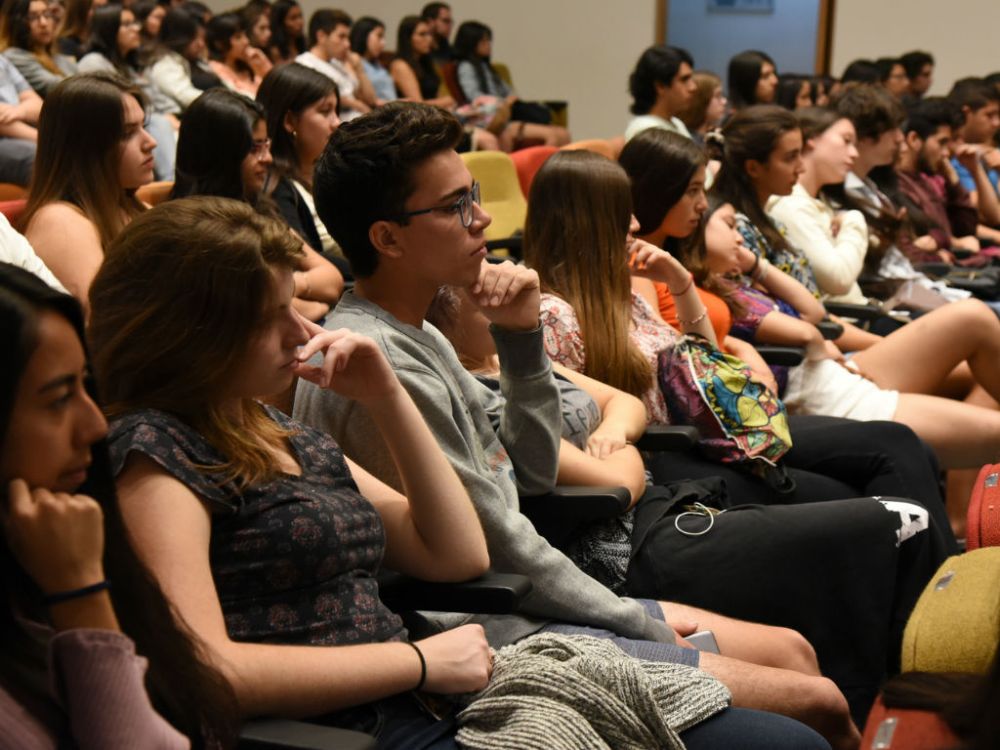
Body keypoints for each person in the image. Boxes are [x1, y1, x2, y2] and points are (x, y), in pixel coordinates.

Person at [293, 100, 895, 748]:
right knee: (814, 705)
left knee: (798, 654)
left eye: (474, 196)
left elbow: (527, 469)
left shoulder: (419, 337)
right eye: (454, 207)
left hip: (536, 596)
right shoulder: (376, 362)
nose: (484, 218)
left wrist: (522, 340)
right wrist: (637, 624)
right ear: (387, 238)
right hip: (501, 630)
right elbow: (496, 544)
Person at [86, 197, 492, 749]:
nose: (301, 332)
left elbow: (457, 554)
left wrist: (387, 397)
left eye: (292, 306)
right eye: (267, 318)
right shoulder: (153, 449)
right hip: (342, 731)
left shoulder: (266, 423)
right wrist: (416, 662)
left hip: (424, 704)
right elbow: (208, 670)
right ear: (187, 333)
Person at [0, 262, 239, 749]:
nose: (95, 426)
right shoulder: (69, 567)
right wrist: (80, 595)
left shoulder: (55, 543)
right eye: (58, 399)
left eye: (86, 386)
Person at [171, 88, 343, 321]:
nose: (268, 158)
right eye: (254, 149)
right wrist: (311, 302)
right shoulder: (193, 230)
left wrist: (288, 287)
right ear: (220, 154)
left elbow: (331, 279)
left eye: (266, 145)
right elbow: (256, 311)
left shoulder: (259, 207)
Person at [20, 73, 155, 308]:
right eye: (127, 133)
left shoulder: (133, 206)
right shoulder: (59, 221)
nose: (150, 142)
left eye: (144, 127)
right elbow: (100, 325)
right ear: (85, 149)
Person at [256, 62, 350, 272]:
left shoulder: (334, 171)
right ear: (290, 121)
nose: (336, 122)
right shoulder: (275, 188)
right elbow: (305, 263)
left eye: (336, 111)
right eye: (325, 111)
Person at [76, 3, 177, 179]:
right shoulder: (93, 62)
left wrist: (171, 115)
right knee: (159, 122)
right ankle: (172, 182)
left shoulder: (131, 64)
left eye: (135, 23)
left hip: (148, 121)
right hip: (118, 128)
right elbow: (112, 107)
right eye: (127, 24)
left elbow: (155, 99)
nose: (136, 29)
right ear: (109, 29)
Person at [452, 20, 569, 148]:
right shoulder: (466, 67)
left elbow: (508, 91)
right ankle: (546, 168)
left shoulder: (487, 67)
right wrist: (504, 102)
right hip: (493, 118)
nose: (488, 45)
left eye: (489, 41)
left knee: (563, 133)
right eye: (484, 41)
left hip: (507, 114)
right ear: (471, 43)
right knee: (552, 136)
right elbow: (475, 97)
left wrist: (511, 99)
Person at [295, 9, 375, 121]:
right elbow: (318, 99)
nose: (347, 44)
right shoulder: (305, 63)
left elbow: (370, 99)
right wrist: (357, 105)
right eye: (341, 37)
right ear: (321, 36)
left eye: (348, 38)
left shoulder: (337, 63)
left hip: (357, 121)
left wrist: (359, 69)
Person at [947, 78, 1000, 240]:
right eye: (989, 115)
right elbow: (991, 216)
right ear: (967, 113)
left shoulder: (988, 152)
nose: (997, 123)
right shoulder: (957, 157)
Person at [148, 8, 220, 113]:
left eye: (202, 38)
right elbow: (186, 96)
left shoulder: (194, 60)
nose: (201, 44)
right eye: (195, 38)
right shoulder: (165, 64)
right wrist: (227, 103)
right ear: (179, 37)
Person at [0, 0, 78, 97]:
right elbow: (57, 86)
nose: (43, 23)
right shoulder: (13, 56)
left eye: (47, 14)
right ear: (16, 23)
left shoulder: (56, 56)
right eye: (32, 17)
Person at [625, 44, 696, 142]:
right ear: (661, 86)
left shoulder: (676, 123)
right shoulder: (646, 130)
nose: (693, 87)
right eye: (684, 80)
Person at [205, 11, 271, 97]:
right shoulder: (215, 70)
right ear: (220, 44)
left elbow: (279, 86)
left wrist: (263, 64)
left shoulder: (247, 62)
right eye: (238, 37)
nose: (246, 41)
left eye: (245, 35)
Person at [0, 53, 40, 186]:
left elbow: (38, 104)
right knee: (40, 157)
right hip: (4, 139)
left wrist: (21, 111)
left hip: (25, 128)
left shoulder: (2, 60)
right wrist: (48, 142)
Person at [350, 15, 394, 104]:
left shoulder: (377, 63)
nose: (383, 43)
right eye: (379, 36)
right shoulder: (353, 60)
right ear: (364, 35)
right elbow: (364, 98)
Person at [677, 70, 725, 142]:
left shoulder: (714, 135)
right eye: (717, 96)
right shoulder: (687, 140)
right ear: (701, 100)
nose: (724, 101)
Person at [266, 0, 304, 64]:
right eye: (293, 18)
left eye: (300, 16)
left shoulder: (304, 45)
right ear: (281, 22)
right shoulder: (275, 51)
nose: (300, 22)